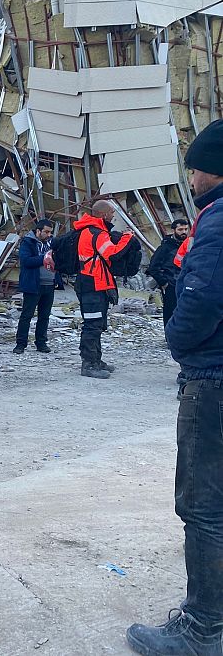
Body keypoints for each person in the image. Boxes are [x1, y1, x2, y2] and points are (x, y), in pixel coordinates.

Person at [127, 119, 223, 656]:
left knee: (204, 506)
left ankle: (203, 630)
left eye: (196, 167)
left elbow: (202, 299)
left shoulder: (218, 222)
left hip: (213, 378)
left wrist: (178, 342)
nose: (189, 176)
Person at [70, 200, 132, 379]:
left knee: (96, 324)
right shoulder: (97, 233)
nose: (113, 216)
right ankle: (89, 363)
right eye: (112, 212)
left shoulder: (89, 231)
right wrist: (127, 238)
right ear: (104, 215)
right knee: (92, 325)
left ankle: (96, 360)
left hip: (92, 283)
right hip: (93, 284)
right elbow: (112, 253)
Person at [14, 219, 57, 355]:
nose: (49, 234)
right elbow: (26, 261)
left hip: (49, 284)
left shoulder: (52, 242)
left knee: (44, 316)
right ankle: (21, 344)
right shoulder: (28, 242)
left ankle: (41, 343)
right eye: (46, 232)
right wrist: (45, 258)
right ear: (38, 231)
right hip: (33, 284)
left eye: (50, 232)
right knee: (27, 315)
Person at [147, 219, 190, 326]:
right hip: (171, 285)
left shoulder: (189, 245)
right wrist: (164, 283)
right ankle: (169, 337)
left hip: (186, 284)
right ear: (174, 230)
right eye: (180, 229)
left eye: (185, 229)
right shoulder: (165, 247)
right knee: (170, 312)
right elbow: (153, 267)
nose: (183, 232)